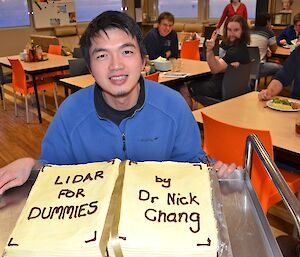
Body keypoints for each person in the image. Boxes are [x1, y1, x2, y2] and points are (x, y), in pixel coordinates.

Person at [0, 11, 237, 195]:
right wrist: (31, 167)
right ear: (90, 67)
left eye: (126, 52)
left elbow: (191, 163)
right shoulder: (70, 113)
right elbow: (54, 171)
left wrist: (217, 170)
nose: (116, 65)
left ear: (143, 60)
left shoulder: (174, 106)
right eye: (102, 55)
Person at [181, 15, 250, 106]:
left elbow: (215, 69)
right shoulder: (241, 47)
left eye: (236, 30)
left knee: (183, 89)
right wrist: (220, 61)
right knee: (196, 81)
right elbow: (217, 59)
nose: (232, 34)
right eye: (229, 30)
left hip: (219, 89)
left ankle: (187, 120)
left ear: (243, 31)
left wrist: (209, 50)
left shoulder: (235, 51)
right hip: (233, 88)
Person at [250, 13, 282, 78]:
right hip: (258, 67)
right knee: (281, 68)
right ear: (267, 22)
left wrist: (266, 49)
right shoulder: (269, 32)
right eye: (270, 21)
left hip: (244, 66)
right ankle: (271, 87)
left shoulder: (249, 31)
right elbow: (274, 50)